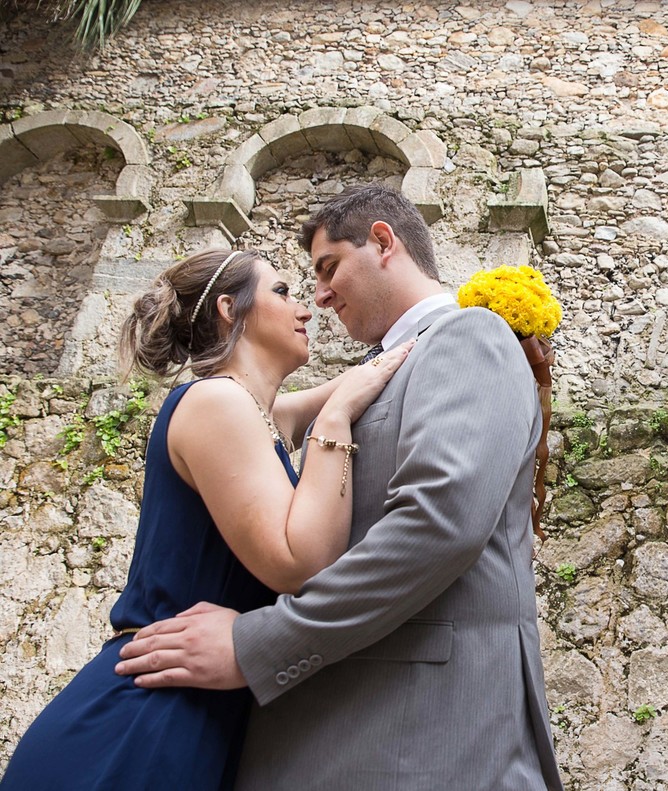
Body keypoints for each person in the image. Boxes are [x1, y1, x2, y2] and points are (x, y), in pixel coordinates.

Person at [115, 185, 564, 791]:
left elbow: (438, 524)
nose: (319, 297)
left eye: (328, 269)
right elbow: (257, 416)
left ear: (383, 242)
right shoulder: (376, 373)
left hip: (422, 742)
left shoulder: (470, 337)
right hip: (339, 735)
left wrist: (256, 644)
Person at [0, 249, 409, 790]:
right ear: (228, 308)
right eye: (283, 292)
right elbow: (299, 564)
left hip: (191, 707)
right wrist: (335, 420)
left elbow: (370, 374)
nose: (307, 307)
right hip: (147, 715)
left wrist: (469, 320)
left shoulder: (252, 411)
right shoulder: (215, 402)